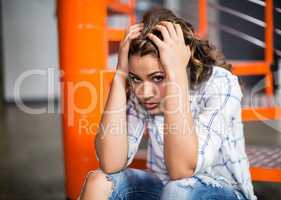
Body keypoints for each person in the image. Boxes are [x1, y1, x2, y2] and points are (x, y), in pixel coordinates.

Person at [78, 7, 257, 200]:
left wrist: (176, 75)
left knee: (179, 189)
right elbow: (110, 162)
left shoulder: (221, 83)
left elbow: (182, 170)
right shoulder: (143, 94)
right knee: (99, 182)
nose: (144, 93)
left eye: (157, 77)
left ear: (184, 63)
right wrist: (121, 74)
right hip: (167, 190)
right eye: (136, 78)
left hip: (225, 191)